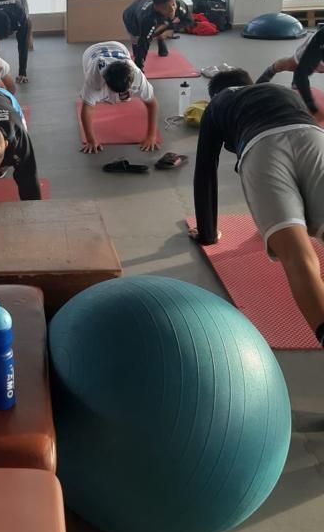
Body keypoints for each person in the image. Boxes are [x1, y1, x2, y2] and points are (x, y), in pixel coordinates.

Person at [189, 68, 324, 347]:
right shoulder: (282, 91)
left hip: (262, 148)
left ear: (215, 93)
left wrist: (208, 234)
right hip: (314, 139)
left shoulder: (218, 103)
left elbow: (205, 171)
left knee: (298, 257)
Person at [79, 41, 160, 154]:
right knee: (96, 97)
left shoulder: (137, 75)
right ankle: (110, 95)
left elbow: (152, 104)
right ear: (105, 83)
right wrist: (91, 140)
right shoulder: (94, 78)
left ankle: (120, 93)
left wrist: (151, 136)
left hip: (118, 47)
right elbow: (87, 110)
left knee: (125, 95)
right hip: (91, 53)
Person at [256, 26, 324, 117]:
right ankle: (270, 71)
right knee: (292, 65)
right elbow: (301, 72)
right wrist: (310, 105)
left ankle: (296, 85)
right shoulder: (321, 38)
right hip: (315, 50)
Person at [123, 0, 192, 70]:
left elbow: (189, 21)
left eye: (173, 4)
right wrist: (139, 69)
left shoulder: (180, 5)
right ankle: (136, 48)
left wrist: (170, 25)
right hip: (132, 17)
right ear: (156, 6)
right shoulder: (147, 18)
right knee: (137, 39)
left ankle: (160, 38)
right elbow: (144, 42)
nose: (171, 10)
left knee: (163, 23)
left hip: (158, 18)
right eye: (165, 7)